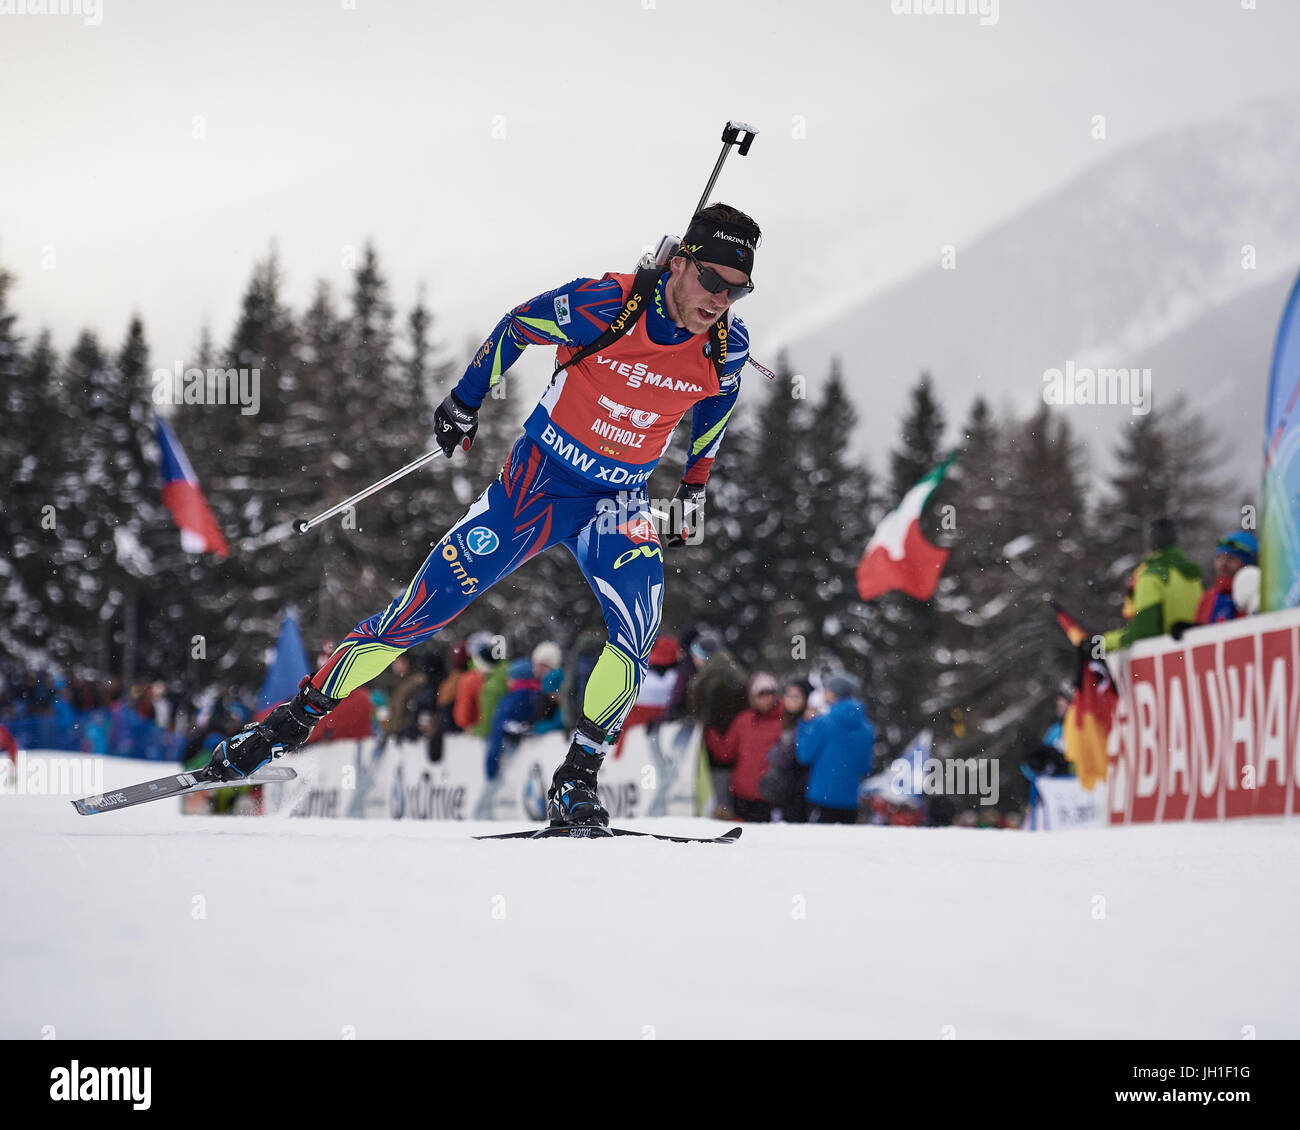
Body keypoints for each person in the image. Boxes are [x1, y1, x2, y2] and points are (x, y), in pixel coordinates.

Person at [205, 203, 760, 830]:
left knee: (637, 630)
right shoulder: (608, 303)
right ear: (679, 265)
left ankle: (576, 779)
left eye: (738, 288)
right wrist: (464, 403)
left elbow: (718, 405)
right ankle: (286, 724)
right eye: (713, 280)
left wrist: (694, 485)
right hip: (538, 484)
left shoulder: (725, 345)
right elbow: (518, 324)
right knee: (422, 612)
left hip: (619, 503)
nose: (723, 299)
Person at [1101, 517, 1203, 653]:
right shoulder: (1192, 576)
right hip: (1195, 657)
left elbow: (1143, 632)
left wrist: (1104, 642)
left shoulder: (1150, 577)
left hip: (1168, 661)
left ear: (1149, 543)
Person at [685, 631, 750, 818]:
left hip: (718, 741)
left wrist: (708, 728)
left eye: (696, 655)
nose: (694, 660)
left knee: (719, 785)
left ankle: (721, 815)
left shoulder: (713, 676)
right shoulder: (731, 670)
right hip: (730, 740)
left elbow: (705, 710)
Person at [796, 673, 876, 824]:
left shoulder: (823, 723)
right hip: (850, 800)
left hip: (821, 798)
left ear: (833, 693)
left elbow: (804, 755)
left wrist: (805, 725)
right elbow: (865, 767)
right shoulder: (867, 728)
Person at [710, 672, 784, 822]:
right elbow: (726, 753)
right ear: (752, 697)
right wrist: (710, 735)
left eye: (770, 693)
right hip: (741, 793)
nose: (766, 698)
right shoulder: (743, 719)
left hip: (769, 796)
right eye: (761, 694)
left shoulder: (784, 720)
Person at [758, 677, 813, 823]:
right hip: (784, 789)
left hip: (800, 790)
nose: (791, 700)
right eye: (788, 695)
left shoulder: (809, 722)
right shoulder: (784, 718)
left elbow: (792, 754)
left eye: (796, 696)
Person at [1193, 531, 1258, 626]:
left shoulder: (1255, 594)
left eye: (1231, 559)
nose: (1223, 564)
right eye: (1220, 558)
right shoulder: (1208, 598)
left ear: (1246, 564)